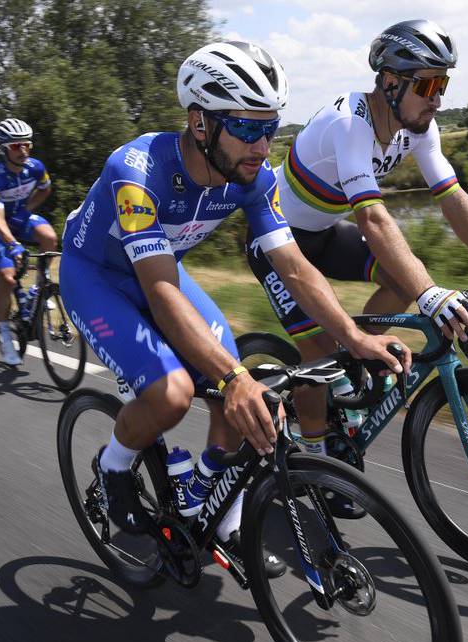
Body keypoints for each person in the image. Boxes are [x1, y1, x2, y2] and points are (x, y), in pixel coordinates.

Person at [60, 41, 409, 574]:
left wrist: (354, 339)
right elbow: (159, 293)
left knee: (236, 382)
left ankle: (211, 499)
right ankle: (114, 467)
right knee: (177, 392)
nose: (262, 144)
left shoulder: (253, 177)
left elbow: (295, 268)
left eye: (270, 127)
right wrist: (231, 378)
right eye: (246, 128)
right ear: (200, 123)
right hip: (98, 278)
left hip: (161, 272)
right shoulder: (138, 171)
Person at [246, 20, 468, 515]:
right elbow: (371, 217)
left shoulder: (419, 131)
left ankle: (356, 360)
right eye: (428, 84)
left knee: (399, 281)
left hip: (321, 234)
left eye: (443, 85)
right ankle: (318, 467)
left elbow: (453, 199)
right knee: (319, 351)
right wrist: (431, 293)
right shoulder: (351, 123)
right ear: (390, 82)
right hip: (278, 241)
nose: (437, 99)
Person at [0, 118, 57, 366]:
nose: (22, 151)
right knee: (8, 276)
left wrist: (26, 209)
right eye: (15, 146)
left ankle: (38, 289)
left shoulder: (35, 167)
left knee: (50, 238)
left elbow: (45, 188)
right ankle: (4, 333)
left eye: (26, 145)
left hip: (18, 216)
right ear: (4, 148)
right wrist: (13, 244)